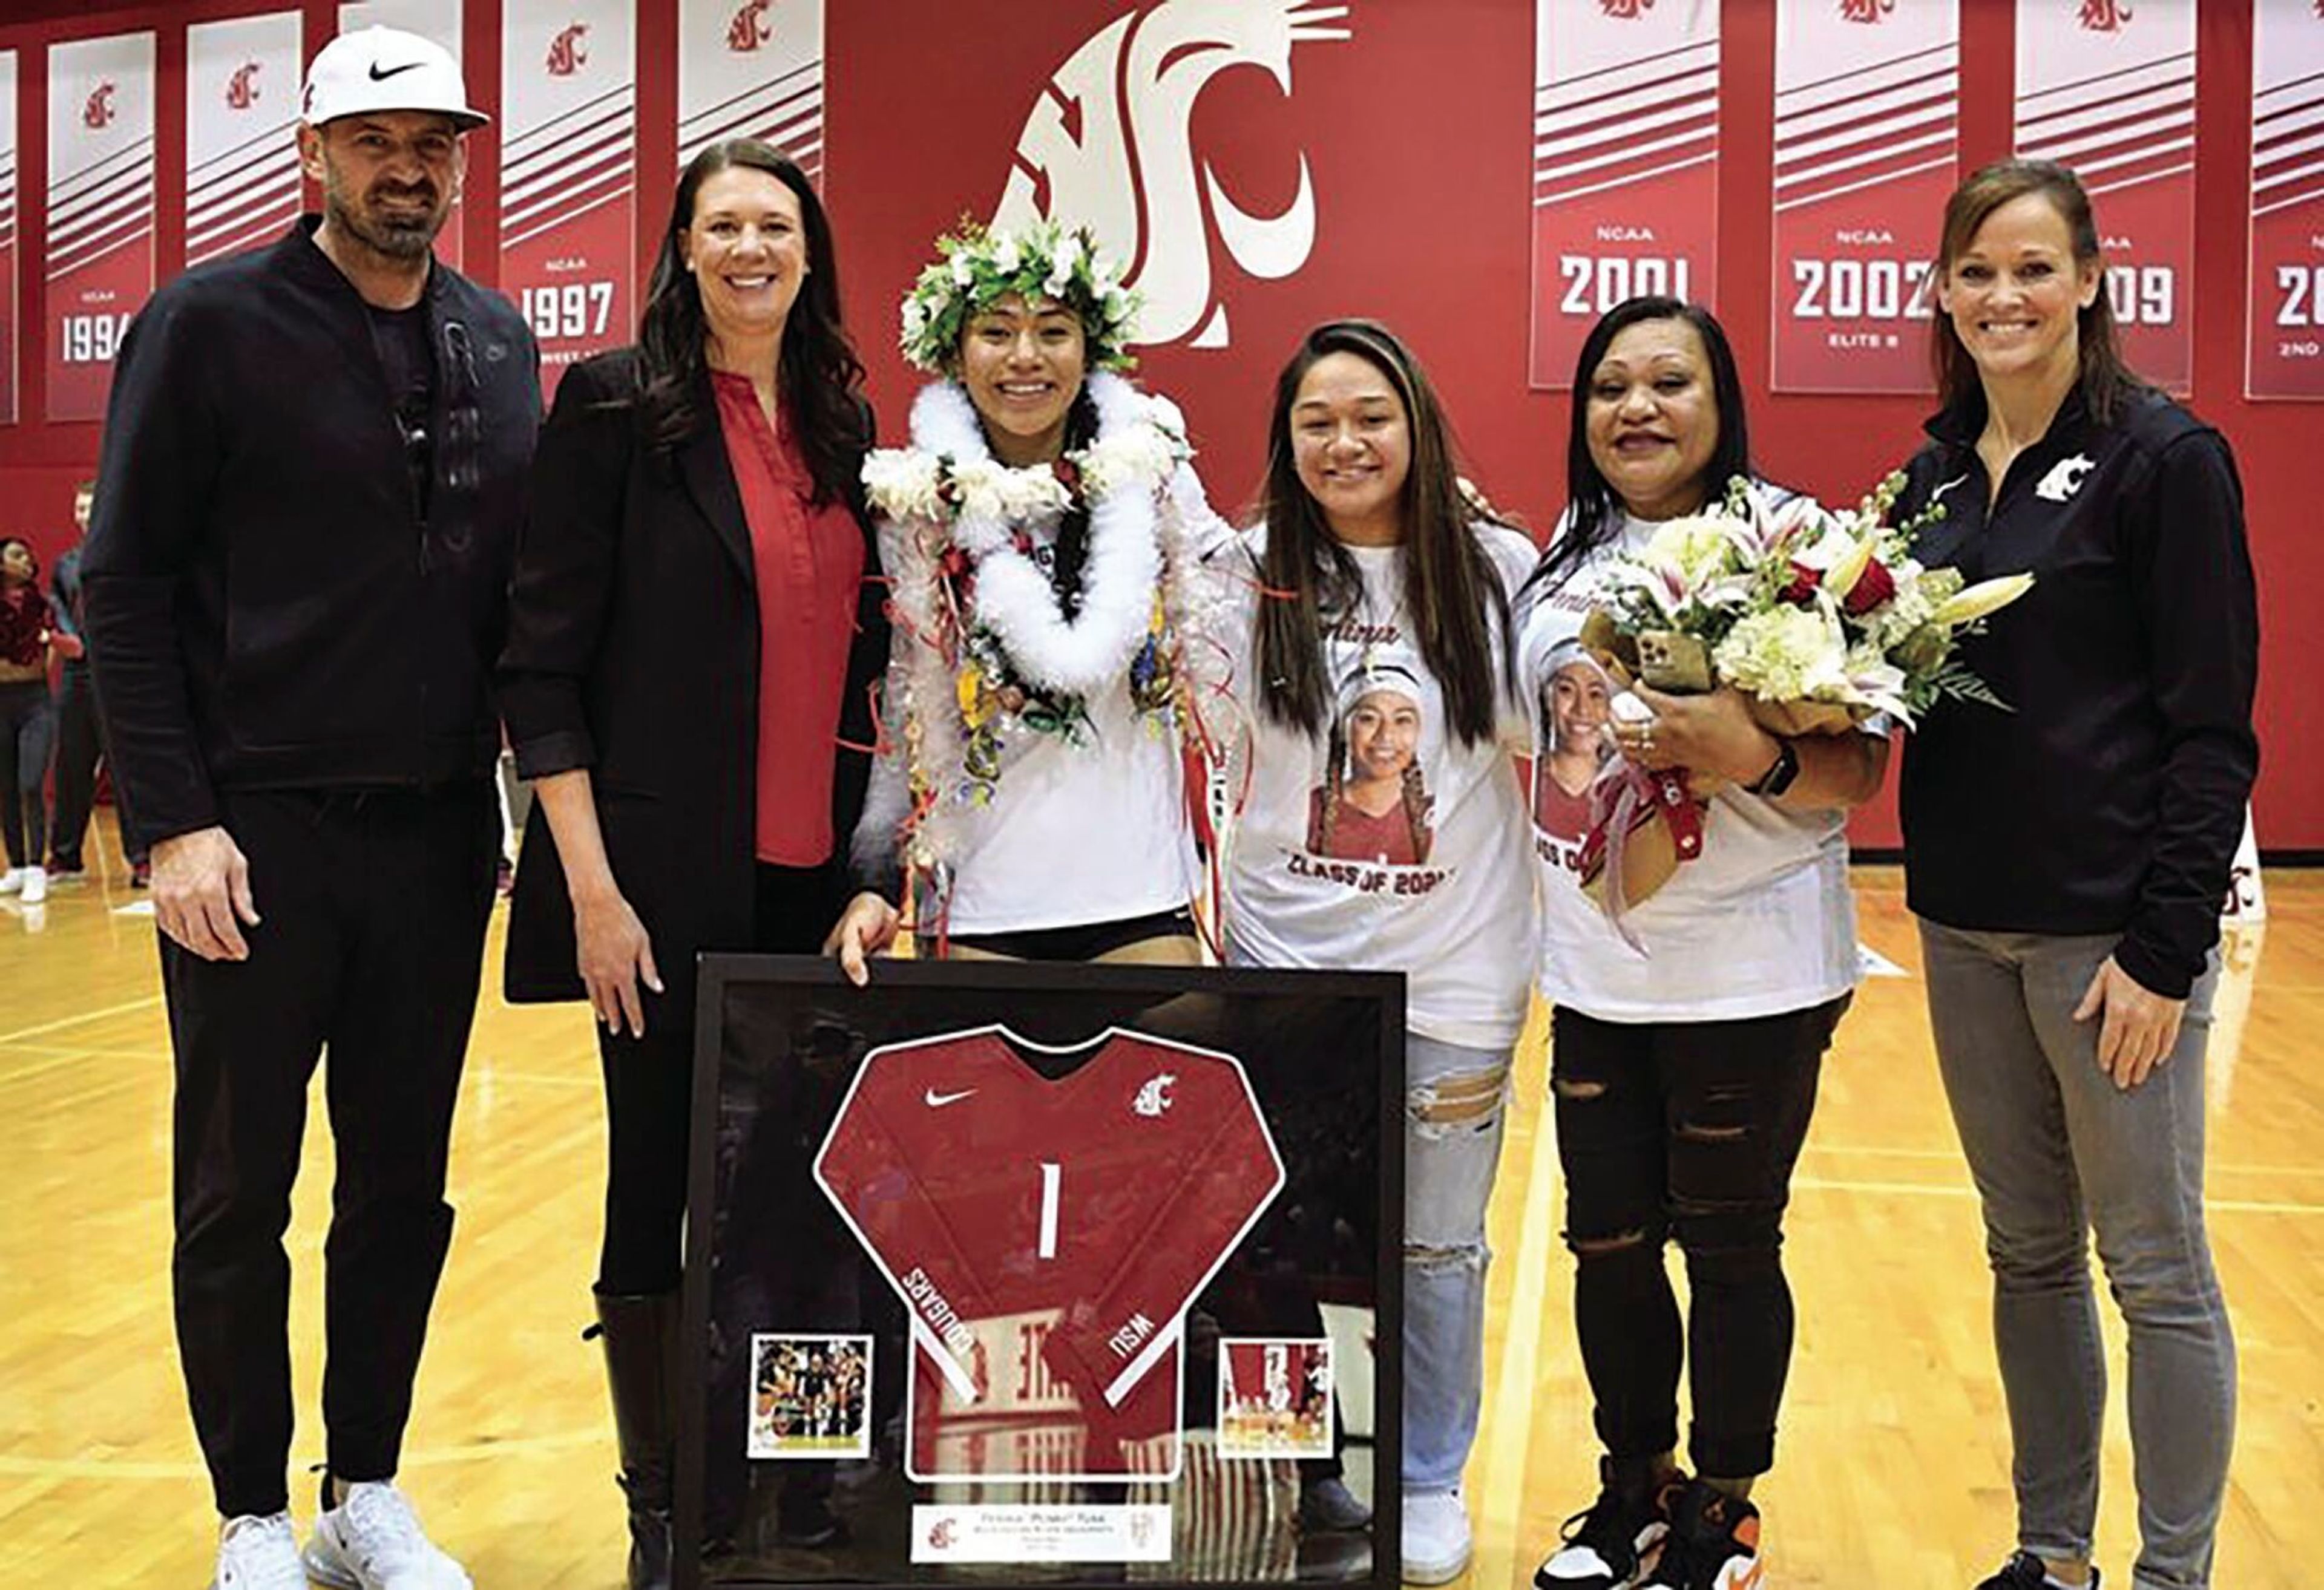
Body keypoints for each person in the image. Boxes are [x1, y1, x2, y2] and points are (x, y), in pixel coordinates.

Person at [78, 27, 535, 1590]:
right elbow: (122, 584)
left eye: (436, 142)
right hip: (252, 838)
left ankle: (368, 1490)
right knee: (237, 1187)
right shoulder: (204, 323)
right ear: (315, 154)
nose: (409, 168)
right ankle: (253, 1514)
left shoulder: (500, 339)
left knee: (403, 1183)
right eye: (376, 140)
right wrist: (175, 819)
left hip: (433, 838)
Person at [497, 139, 888, 1590]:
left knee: (799, 1192)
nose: (748, 248)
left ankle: (783, 1486)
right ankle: (662, 1508)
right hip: (652, 889)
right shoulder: (613, 407)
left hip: (807, 882)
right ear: (681, 245)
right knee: (655, 1183)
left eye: (774, 225)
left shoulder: (843, 418)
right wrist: (593, 895)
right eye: (721, 224)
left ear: (809, 250)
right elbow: (539, 670)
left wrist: (879, 860)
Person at [1891, 160, 2256, 1590]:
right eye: (1975, 271)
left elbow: (2213, 729)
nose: (2003, 296)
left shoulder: (2164, 460)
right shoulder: (1927, 481)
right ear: (1938, 290)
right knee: (2024, 1257)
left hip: (2107, 944)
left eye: (2033, 267)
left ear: (2091, 281)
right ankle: (2051, 1557)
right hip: (1958, 930)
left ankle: (2173, 1573)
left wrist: (2164, 953)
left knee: (2153, 1271)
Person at [1520, 298, 1887, 1590]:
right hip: (1597, 971)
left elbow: (1855, 771)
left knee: (1731, 1245)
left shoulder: (1797, 543)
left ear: (1721, 400)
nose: (1638, 407)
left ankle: (1723, 1507)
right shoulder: (1557, 559)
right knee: (1606, 1244)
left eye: (1670, 381)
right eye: (1610, 385)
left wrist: (1753, 750)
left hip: (1755, 971)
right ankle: (1634, 1488)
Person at [1210, 319, 1537, 1582]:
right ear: (1286, 443)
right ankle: (1295, 1464)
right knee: (1287, 1235)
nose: (1345, 443)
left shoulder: (1496, 568)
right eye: (1316, 422)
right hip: (1287, 970)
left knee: (1436, 1245)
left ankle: (1419, 1475)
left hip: (1454, 975)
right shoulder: (1241, 574)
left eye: (1371, 417)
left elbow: (1560, 737)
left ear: (1416, 427)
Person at [826, 218, 1227, 972]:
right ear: (954, 351)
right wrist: (875, 872)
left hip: (1141, 894)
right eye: (996, 332)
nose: (1025, 358)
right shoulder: (913, 503)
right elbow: (898, 702)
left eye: (1053, 331)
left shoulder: (1154, 471)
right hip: (981, 898)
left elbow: (1234, 600)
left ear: (1090, 348)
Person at [46, 480, 150, 886]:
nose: (85, 515)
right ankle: (66, 857)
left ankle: (142, 858)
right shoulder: (66, 564)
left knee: (125, 767)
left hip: (118, 677)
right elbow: (57, 607)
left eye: (91, 508)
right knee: (72, 764)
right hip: (78, 675)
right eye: (80, 508)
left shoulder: (127, 557)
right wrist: (75, 644)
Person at [1305, 665, 1433, 864]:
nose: (1386, 735)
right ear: (1345, 731)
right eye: (1368, 719)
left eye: (1402, 721)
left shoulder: (1437, 817)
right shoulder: (1309, 813)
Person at [0, 535, 59, 906]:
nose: (27, 560)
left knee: (30, 782)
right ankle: (17, 865)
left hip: (34, 700)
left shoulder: (42, 603)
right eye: (17, 555)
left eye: (28, 554)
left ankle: (38, 866)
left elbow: (55, 643)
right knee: (4, 786)